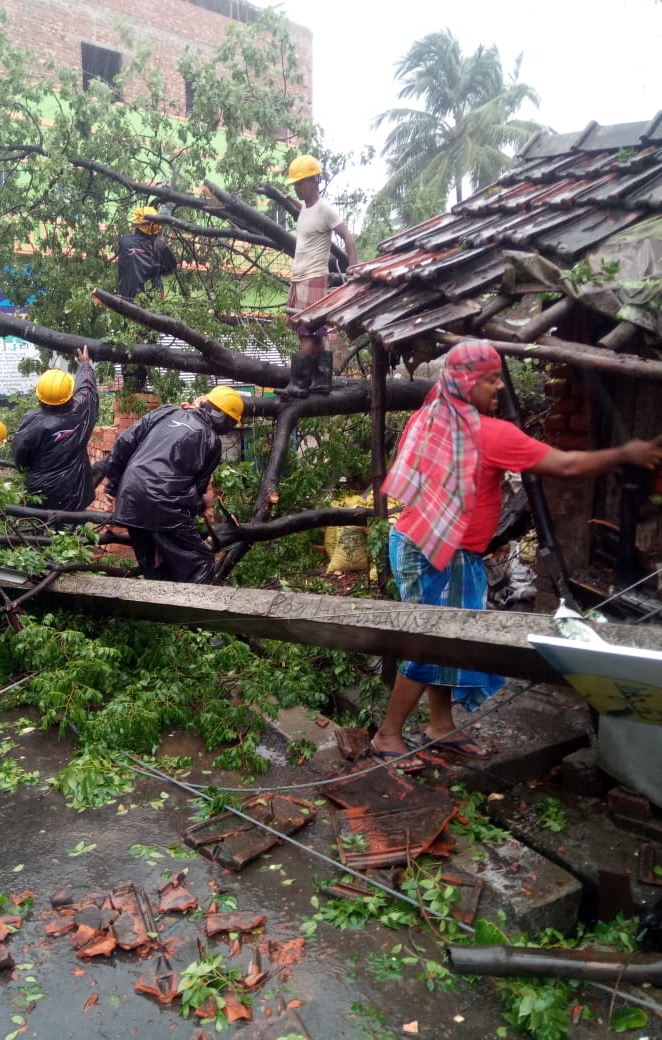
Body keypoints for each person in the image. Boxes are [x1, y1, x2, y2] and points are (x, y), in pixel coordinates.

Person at [372, 340, 662, 771]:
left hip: (422, 545)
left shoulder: (434, 416)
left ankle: (439, 727)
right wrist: (625, 453)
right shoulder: (487, 434)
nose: (499, 388)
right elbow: (564, 465)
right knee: (433, 643)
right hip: (437, 553)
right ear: (466, 382)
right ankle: (388, 735)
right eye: (490, 380)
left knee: (449, 640)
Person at [103, 386, 244, 584]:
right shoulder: (211, 441)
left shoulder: (166, 411)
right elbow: (196, 489)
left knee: (155, 567)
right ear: (225, 420)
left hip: (130, 499)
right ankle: (199, 613)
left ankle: (160, 612)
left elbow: (124, 442)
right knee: (201, 563)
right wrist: (202, 506)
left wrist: (113, 486)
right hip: (165, 506)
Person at [276, 154, 357, 399]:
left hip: (313, 278)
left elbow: (348, 237)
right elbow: (308, 220)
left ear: (313, 181)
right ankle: (321, 380)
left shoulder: (325, 210)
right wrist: (293, 204)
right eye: (296, 184)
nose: (298, 187)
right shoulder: (307, 210)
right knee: (316, 331)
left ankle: (299, 384)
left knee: (307, 331)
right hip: (300, 277)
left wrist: (353, 271)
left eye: (301, 183)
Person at [12, 346, 99, 512]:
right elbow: (87, 389)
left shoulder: (32, 422)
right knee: (74, 535)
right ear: (69, 395)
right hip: (75, 496)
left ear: (39, 396)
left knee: (40, 534)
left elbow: (20, 458)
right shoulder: (81, 414)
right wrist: (85, 364)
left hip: (40, 495)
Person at [117, 206, 177, 302]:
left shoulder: (124, 241)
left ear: (137, 224)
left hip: (125, 303)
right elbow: (171, 268)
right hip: (151, 305)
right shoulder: (159, 246)